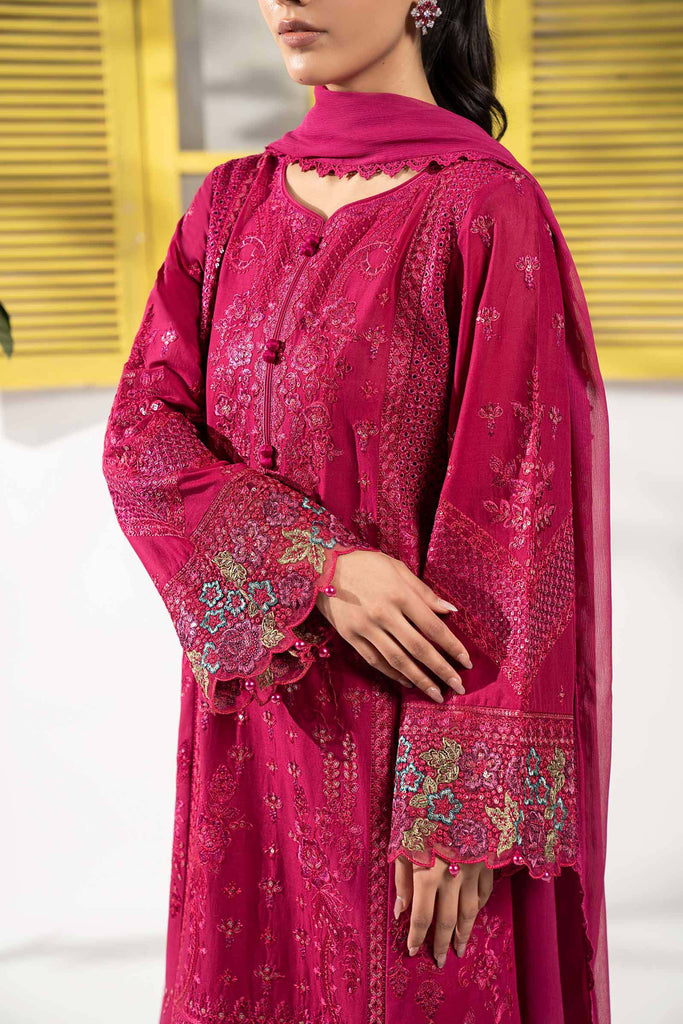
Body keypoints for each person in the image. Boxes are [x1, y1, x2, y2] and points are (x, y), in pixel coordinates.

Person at [101, 2, 613, 1022]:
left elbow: (520, 517)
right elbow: (141, 439)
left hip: (412, 750)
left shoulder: (484, 208)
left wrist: (461, 807)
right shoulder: (230, 206)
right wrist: (318, 567)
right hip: (253, 727)